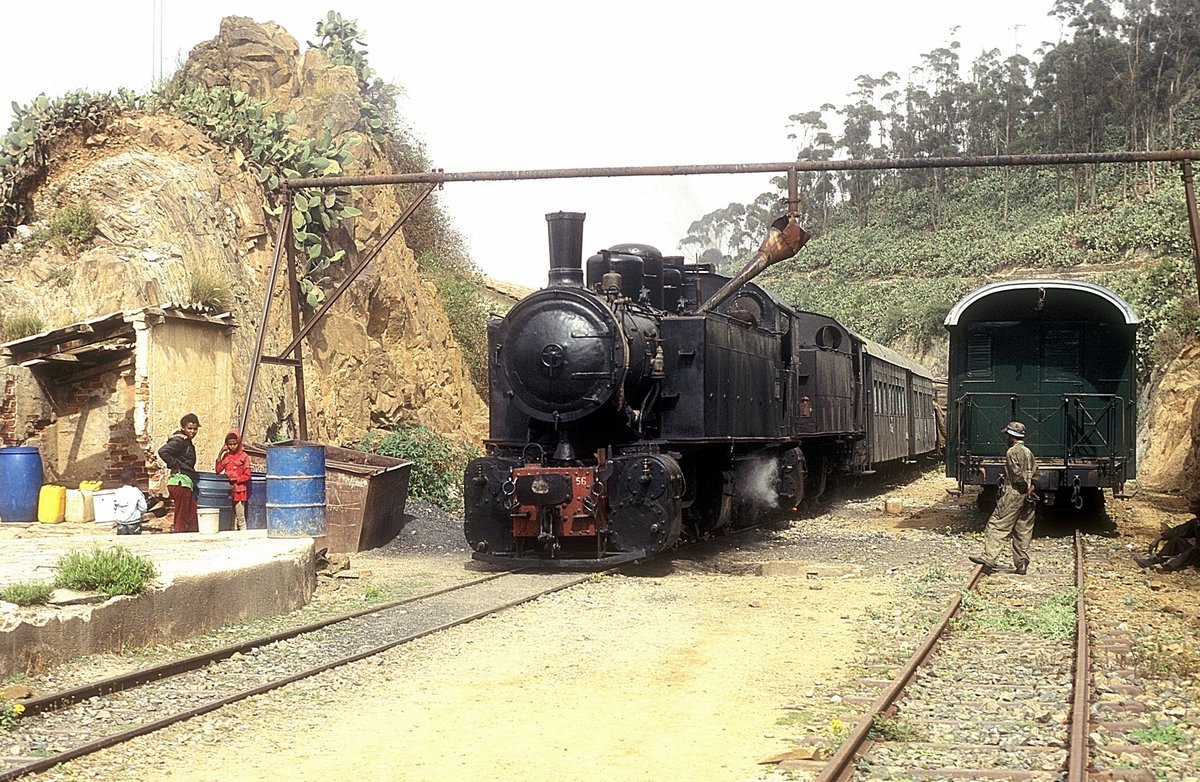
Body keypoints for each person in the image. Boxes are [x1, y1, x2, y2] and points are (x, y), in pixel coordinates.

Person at [970, 421, 1038, 575]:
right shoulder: (1028, 452)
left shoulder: (1011, 452)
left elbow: (1016, 475)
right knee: (1023, 529)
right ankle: (1022, 564)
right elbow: (1036, 475)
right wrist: (1030, 490)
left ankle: (989, 557)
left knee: (997, 525)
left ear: (1011, 436)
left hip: (1014, 494)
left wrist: (1022, 491)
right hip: (1029, 495)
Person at [158, 413, 201, 533]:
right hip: (179, 482)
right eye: (189, 428)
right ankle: (179, 537)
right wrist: (176, 465)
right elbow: (163, 451)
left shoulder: (187, 442)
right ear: (183, 428)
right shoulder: (180, 441)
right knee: (182, 515)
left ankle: (192, 538)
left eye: (195, 429)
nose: (192, 431)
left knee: (191, 514)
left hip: (186, 482)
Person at [215, 429, 252, 531]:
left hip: (239, 489)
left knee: (240, 516)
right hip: (227, 490)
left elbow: (247, 475)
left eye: (235, 444)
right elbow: (218, 470)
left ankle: (244, 536)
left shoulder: (244, 457)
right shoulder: (226, 456)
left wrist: (236, 478)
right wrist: (220, 453)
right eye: (230, 444)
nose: (232, 446)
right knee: (231, 517)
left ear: (239, 443)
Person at [112, 467, 148, 535]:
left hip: (120, 522)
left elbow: (114, 507)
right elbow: (144, 508)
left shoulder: (117, 492)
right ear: (132, 479)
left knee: (122, 542)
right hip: (133, 522)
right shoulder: (136, 492)